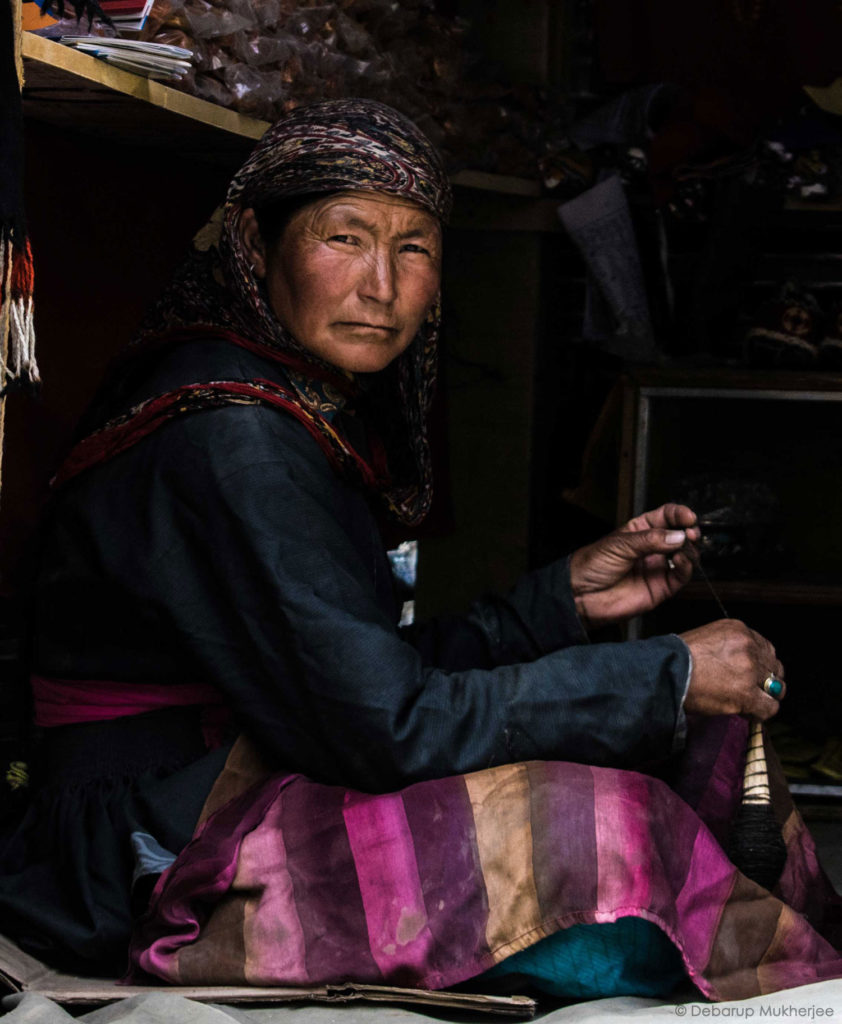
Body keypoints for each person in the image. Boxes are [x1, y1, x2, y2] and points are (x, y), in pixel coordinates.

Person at [0, 99, 839, 1001]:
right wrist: (662, 673)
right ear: (255, 241)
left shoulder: (283, 399)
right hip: (144, 838)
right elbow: (386, 726)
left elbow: (352, 678)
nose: (381, 285)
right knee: (604, 824)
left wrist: (562, 602)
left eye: (414, 248)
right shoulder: (234, 437)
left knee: (686, 746)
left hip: (247, 763)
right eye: (344, 238)